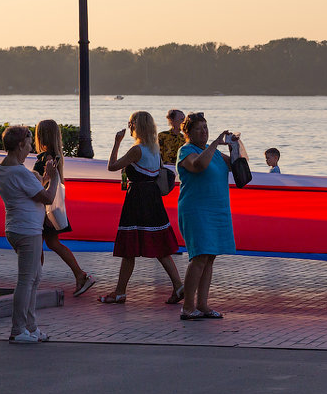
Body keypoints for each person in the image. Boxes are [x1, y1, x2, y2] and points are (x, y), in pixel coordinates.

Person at [100, 111, 185, 305]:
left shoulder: (137, 150)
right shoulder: (154, 149)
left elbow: (112, 166)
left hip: (137, 199)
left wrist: (117, 142)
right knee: (160, 247)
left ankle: (120, 292)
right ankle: (178, 285)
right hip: (153, 198)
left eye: (131, 124)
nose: (129, 127)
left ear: (136, 126)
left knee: (129, 248)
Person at [0, 125, 55, 344]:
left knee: (34, 278)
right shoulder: (19, 171)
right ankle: (18, 329)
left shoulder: (3, 169)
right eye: (29, 143)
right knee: (26, 280)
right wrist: (54, 178)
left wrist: (43, 178)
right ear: (20, 144)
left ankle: (31, 326)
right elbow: (47, 198)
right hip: (28, 230)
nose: (31, 148)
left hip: (16, 227)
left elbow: (30, 191)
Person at [176, 112, 237, 320]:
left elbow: (239, 166)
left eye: (205, 127)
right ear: (189, 132)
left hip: (217, 208)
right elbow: (198, 166)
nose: (204, 131)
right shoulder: (186, 151)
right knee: (199, 256)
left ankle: (202, 305)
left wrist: (234, 146)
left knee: (210, 257)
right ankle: (187, 306)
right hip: (196, 209)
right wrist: (214, 144)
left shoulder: (216, 154)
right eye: (199, 128)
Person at [33, 119, 95, 297]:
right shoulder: (55, 156)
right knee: (52, 244)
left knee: (39, 246)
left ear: (40, 135)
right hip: (50, 208)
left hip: (43, 209)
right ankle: (80, 275)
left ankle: (33, 281)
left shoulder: (47, 158)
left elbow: (44, 183)